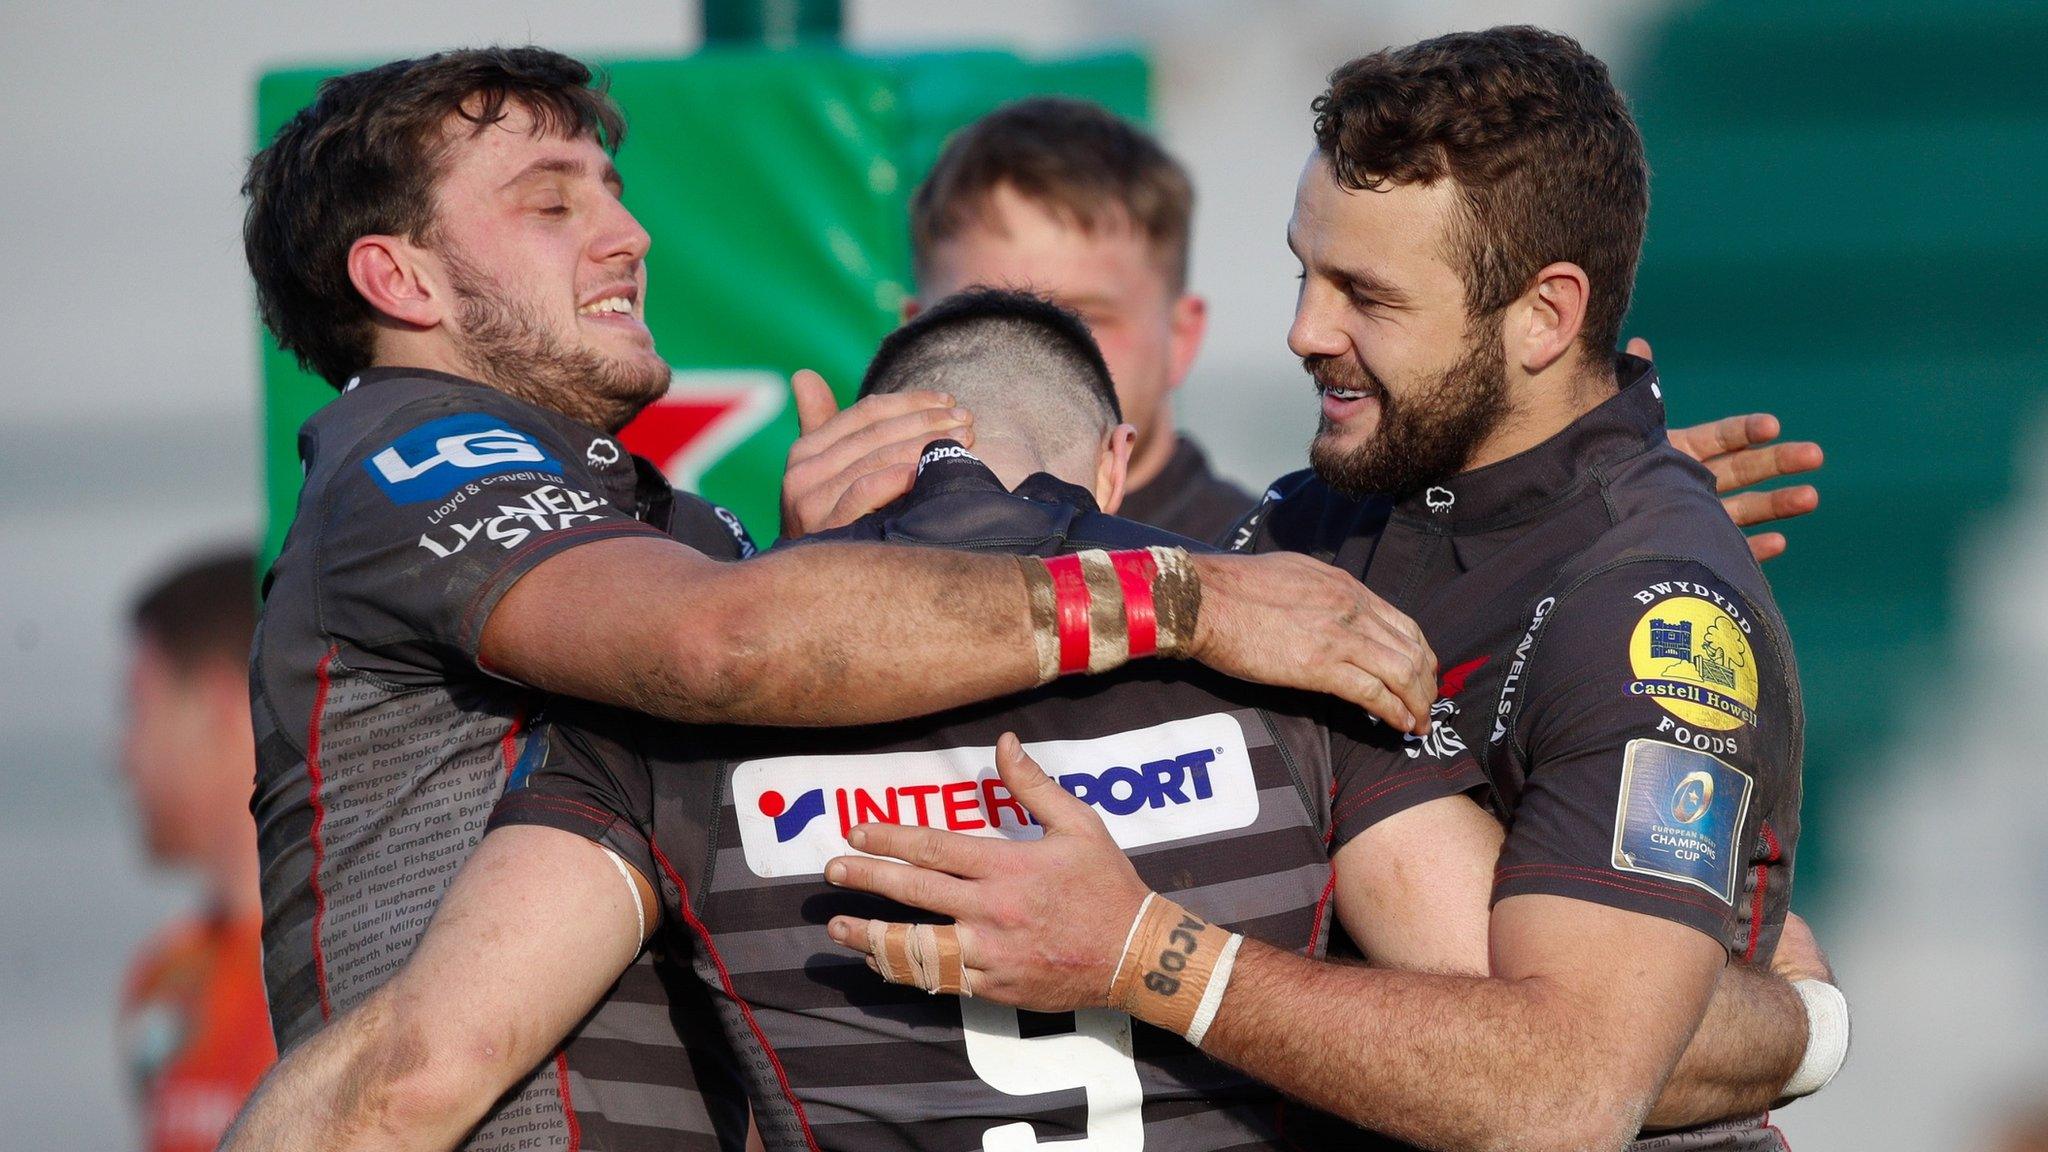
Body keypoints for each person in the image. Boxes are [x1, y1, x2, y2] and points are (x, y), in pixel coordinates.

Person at [222, 291, 1809, 1152]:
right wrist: (1811, 1026)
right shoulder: (1292, 654)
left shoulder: (652, 734)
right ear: (1112, 467)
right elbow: (1562, 1046)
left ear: (872, 441)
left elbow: (411, 1080)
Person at [240, 46, 1436, 1152]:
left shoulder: (666, 518)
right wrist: (1187, 600)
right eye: (552, 203)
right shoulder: (412, 454)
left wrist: (837, 575)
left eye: (613, 192)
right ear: (396, 277)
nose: (630, 234)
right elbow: (720, 648)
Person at [830, 28, 1844, 1152]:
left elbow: (1566, 1092)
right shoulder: (1319, 513)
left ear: (1544, 318)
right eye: (1302, 274)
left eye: (1365, 294)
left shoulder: (1648, 611)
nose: (1305, 332)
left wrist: (1144, 956)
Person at [850, 96, 1822, 552]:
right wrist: (822, 568)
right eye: (982, 314)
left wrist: (1552, 531)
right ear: (903, 337)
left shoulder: (1300, 549)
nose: (1037, 356)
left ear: (1184, 335)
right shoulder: (831, 536)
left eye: (1085, 317)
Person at [119, 548, 277, 1152]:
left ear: (217, 707)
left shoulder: (357, 969)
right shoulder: (168, 977)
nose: (122, 755)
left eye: (137, 708)